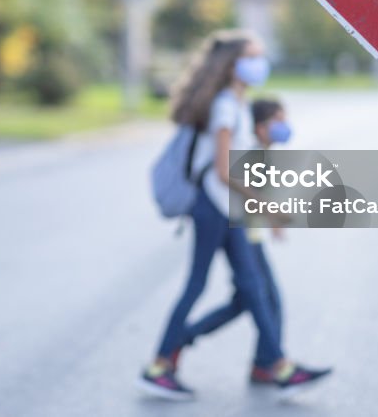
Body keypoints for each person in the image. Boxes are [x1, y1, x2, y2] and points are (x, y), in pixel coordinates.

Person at [137, 31, 330, 401]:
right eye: (252, 57)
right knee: (200, 285)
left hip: (226, 209)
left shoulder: (234, 105)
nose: (260, 63)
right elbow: (225, 171)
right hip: (214, 208)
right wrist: (268, 206)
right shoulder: (225, 106)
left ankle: (278, 365)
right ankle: (160, 365)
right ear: (233, 65)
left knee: (253, 289)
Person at [173, 98, 293, 385]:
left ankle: (184, 339)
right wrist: (269, 214)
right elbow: (240, 194)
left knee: (244, 302)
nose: (285, 127)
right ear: (261, 126)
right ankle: (269, 364)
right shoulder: (251, 151)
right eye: (279, 120)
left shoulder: (262, 151)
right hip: (242, 236)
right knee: (268, 299)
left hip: (249, 235)